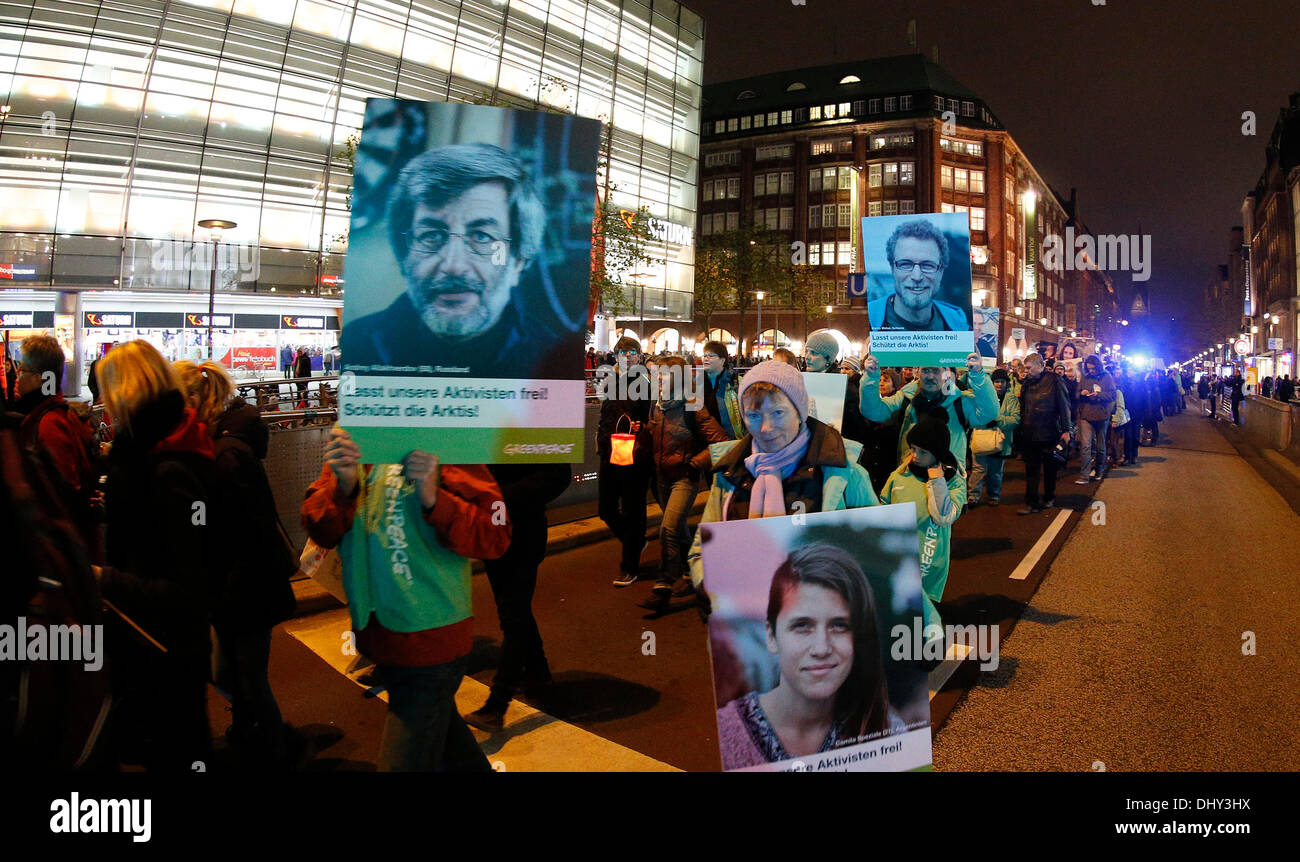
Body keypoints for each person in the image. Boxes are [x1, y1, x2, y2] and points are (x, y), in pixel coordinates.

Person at [302, 427, 510, 771]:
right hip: (381, 641)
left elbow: (497, 532)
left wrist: (435, 499)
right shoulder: (354, 437)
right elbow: (319, 528)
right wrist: (342, 488)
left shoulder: (445, 438)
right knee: (453, 748)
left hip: (431, 644)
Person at [94, 341, 221, 770]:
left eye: (106, 395)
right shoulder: (158, 456)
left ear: (126, 395)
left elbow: (187, 586)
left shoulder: (165, 471)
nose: (102, 407)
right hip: (155, 643)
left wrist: (104, 579)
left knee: (177, 750)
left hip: (164, 648)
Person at [339, 143, 569, 379]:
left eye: (482, 237)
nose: (453, 265)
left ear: (518, 261)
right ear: (403, 257)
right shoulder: (358, 346)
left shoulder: (554, 362)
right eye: (431, 236)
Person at [174, 359, 300, 766]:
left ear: (195, 399)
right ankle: (254, 734)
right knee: (233, 673)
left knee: (246, 678)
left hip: (246, 588)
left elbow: (247, 529)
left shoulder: (226, 453)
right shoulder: (220, 445)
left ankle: (277, 749)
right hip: (236, 585)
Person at [687, 361, 879, 595]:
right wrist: (712, 588)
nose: (766, 428)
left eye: (778, 412)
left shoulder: (844, 473)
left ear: (800, 413)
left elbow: (876, 554)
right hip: (748, 619)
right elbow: (701, 552)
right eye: (754, 415)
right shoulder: (729, 473)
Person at [714, 544, 900, 769]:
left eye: (839, 626)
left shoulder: (887, 727)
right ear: (771, 636)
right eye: (802, 626)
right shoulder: (726, 732)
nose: (821, 648)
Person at [463, 461, 571, 732]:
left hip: (523, 533)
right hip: (492, 530)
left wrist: (496, 496)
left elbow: (557, 474)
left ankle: (497, 703)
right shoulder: (487, 426)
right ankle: (538, 671)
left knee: (514, 614)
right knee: (512, 609)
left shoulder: (534, 426)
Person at [638, 355, 729, 611]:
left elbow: (720, 441)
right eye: (658, 374)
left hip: (684, 479)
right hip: (662, 478)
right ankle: (698, 571)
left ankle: (663, 586)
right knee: (679, 530)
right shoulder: (657, 405)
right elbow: (656, 434)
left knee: (667, 529)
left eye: (664, 375)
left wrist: (694, 464)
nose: (658, 378)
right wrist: (642, 433)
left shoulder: (693, 406)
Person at [879, 408, 966, 634]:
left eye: (923, 451)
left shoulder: (954, 482)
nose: (915, 455)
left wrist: (936, 480)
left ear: (937, 454)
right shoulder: (900, 474)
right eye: (913, 449)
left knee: (920, 624)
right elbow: (882, 506)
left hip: (930, 562)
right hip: (898, 559)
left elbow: (943, 516)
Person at [11, 335, 97, 539]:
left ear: (40, 378)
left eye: (22, 370)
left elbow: (63, 495)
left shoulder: (50, 423)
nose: (17, 377)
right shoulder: (53, 414)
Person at [859, 352, 999, 472]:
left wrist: (978, 375)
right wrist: (871, 378)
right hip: (910, 476)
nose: (930, 376)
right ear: (918, 373)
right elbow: (874, 412)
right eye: (926, 370)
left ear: (946, 374)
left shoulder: (959, 401)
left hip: (949, 481)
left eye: (936, 371)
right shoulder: (906, 397)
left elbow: (989, 412)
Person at [597, 336, 654, 587]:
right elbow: (606, 415)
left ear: (640, 356)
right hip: (610, 451)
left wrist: (643, 427)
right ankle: (636, 541)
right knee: (606, 508)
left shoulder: (647, 383)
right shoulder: (610, 382)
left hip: (635, 454)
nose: (628, 357)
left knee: (633, 510)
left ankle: (629, 566)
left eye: (632, 353)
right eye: (623, 353)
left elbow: (653, 418)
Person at [867, 219, 969, 332]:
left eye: (927, 265)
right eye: (905, 264)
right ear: (892, 268)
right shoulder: (869, 318)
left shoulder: (959, 322)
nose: (917, 276)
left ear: (941, 271)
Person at [1016, 351, 1072, 514]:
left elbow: (1064, 406)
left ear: (1040, 366)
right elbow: (1024, 406)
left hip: (1049, 431)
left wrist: (1066, 429)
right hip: (1030, 432)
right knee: (1031, 469)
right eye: (1025, 368)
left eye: (1029, 368)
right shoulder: (1027, 382)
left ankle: (1049, 496)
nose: (1026, 371)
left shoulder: (1055, 380)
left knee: (1050, 468)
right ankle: (1032, 502)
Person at [968, 368, 1019, 506]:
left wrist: (998, 420)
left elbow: (1015, 419)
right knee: (978, 469)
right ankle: (973, 496)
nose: (999, 384)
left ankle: (994, 495)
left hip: (1000, 440)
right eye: (996, 381)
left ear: (1006, 383)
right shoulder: (983, 396)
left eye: (1002, 381)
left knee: (996, 471)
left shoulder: (1011, 399)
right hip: (982, 438)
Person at [1074, 354, 1116, 483]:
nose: (1091, 371)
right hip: (1086, 414)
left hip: (1101, 415)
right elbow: (1077, 393)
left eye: (1093, 368)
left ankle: (1099, 470)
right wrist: (1081, 393)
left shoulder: (1107, 377)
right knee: (1086, 445)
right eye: (1089, 368)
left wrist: (1098, 395)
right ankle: (1084, 475)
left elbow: (1112, 395)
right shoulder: (1085, 377)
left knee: (1100, 446)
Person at [701, 340, 742, 439]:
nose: (706, 359)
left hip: (729, 439)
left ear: (722, 360)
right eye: (704, 355)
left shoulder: (735, 382)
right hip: (702, 439)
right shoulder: (695, 383)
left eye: (710, 356)